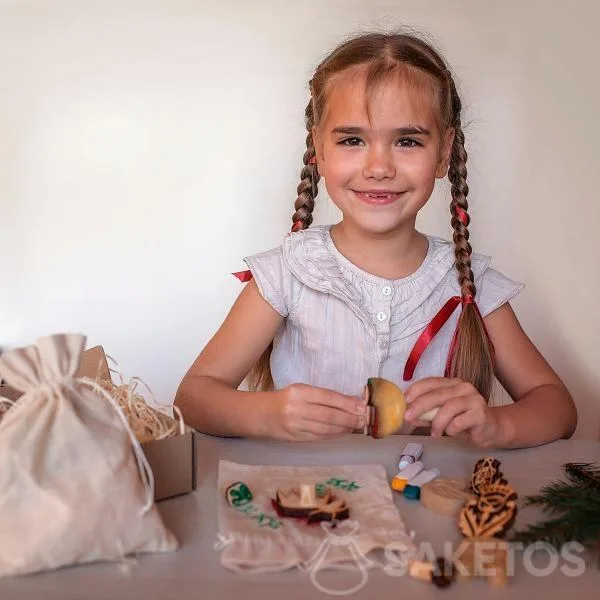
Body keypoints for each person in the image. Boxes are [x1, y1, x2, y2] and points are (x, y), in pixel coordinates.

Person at [175, 31, 577, 449]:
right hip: (304, 504)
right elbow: (193, 398)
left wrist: (496, 424)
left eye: (407, 141)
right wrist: (266, 413)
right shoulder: (286, 275)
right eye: (352, 140)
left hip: (430, 506)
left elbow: (558, 409)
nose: (379, 166)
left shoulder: (469, 284)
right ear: (319, 149)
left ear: (444, 152)